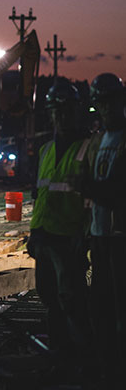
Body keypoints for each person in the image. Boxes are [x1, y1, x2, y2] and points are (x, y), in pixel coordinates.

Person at [27, 79, 93, 378]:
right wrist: (34, 233)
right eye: (56, 111)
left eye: (65, 111)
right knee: (52, 301)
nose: (61, 116)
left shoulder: (88, 148)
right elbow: (41, 194)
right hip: (45, 237)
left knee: (72, 302)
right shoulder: (45, 150)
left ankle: (82, 362)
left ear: (76, 111)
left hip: (69, 238)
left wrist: (86, 236)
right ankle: (61, 357)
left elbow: (93, 200)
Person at [80, 73, 126, 379]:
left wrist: (88, 188)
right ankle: (107, 368)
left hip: (120, 237)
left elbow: (116, 190)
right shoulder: (98, 141)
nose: (105, 108)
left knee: (117, 309)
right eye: (101, 103)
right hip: (100, 236)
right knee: (101, 309)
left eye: (110, 102)